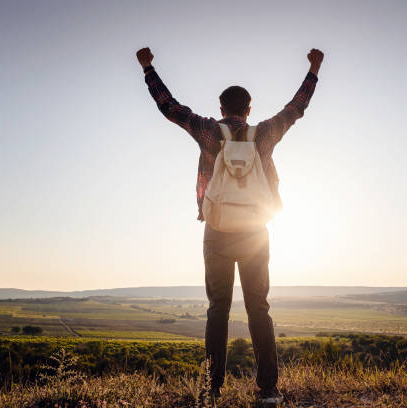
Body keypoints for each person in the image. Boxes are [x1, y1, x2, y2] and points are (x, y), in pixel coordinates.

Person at [136, 46, 323, 405]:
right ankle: (268, 390)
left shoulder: (208, 131)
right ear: (249, 110)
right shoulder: (263, 134)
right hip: (255, 232)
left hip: (217, 231)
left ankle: (212, 388)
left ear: (221, 110)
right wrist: (313, 69)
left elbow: (169, 107)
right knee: (259, 308)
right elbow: (295, 109)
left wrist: (148, 68)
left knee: (217, 309)